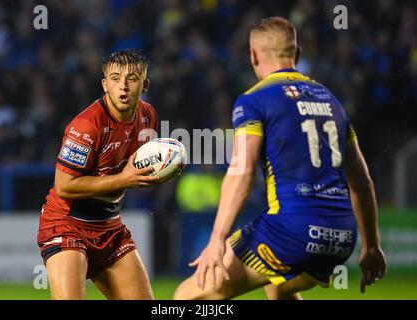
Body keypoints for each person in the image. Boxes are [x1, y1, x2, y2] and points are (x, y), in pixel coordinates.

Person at [174, 17, 386, 300]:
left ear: (253, 56)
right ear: (297, 54)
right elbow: (362, 182)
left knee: (187, 296)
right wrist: (371, 246)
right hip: (340, 238)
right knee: (277, 286)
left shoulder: (254, 100)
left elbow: (242, 171)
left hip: (292, 232)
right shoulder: (331, 101)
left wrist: (217, 240)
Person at [37, 50, 159, 300]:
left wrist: (160, 171)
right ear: (105, 84)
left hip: (110, 227)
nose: (123, 86)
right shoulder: (86, 125)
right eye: (115, 78)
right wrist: (124, 180)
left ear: (144, 85)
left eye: (132, 78)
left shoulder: (148, 116)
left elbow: (135, 171)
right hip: (67, 223)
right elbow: (64, 186)